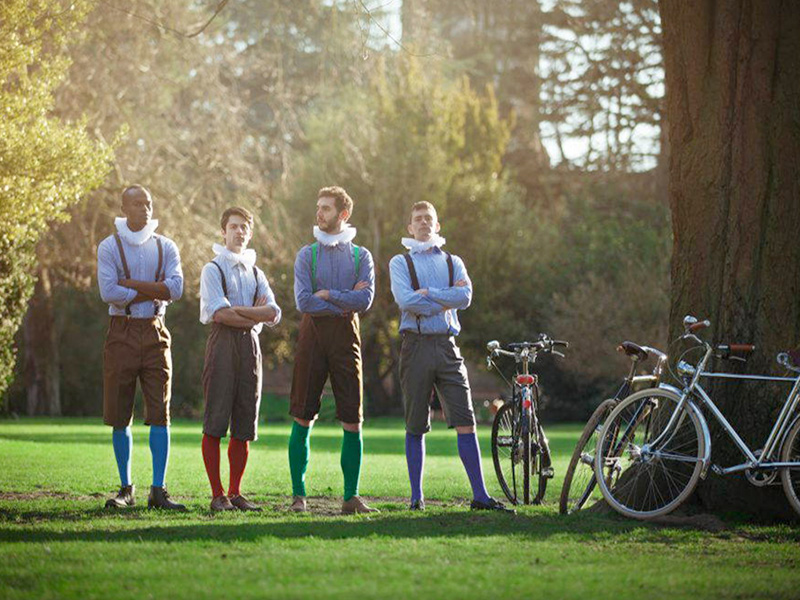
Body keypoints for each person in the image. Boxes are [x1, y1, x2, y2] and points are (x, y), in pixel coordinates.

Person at [389, 201, 513, 512]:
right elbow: (405, 301)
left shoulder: (452, 260)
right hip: (414, 345)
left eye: (429, 218)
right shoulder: (400, 262)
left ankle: (481, 496)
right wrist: (444, 298)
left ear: (438, 225)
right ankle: (417, 498)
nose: (423, 223)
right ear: (410, 227)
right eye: (417, 219)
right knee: (415, 424)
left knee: (466, 420)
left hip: (447, 346)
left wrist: (428, 295)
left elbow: (465, 297)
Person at [288, 186, 377, 514]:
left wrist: (326, 295)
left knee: (353, 419)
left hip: (346, 339)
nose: (319, 213)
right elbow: (303, 301)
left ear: (343, 214)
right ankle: (299, 496)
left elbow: (364, 301)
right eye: (318, 206)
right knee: (302, 416)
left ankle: (350, 497)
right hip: (312, 338)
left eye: (326, 208)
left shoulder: (361, 256)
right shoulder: (306, 255)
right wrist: (341, 299)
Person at [97, 185, 185, 510]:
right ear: (124, 209)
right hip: (121, 332)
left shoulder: (166, 246)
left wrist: (131, 285)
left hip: (155, 332)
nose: (145, 209)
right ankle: (126, 489)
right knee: (120, 414)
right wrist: (154, 289)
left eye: (148, 203)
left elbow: (176, 289)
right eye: (137, 203)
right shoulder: (109, 247)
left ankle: (158, 490)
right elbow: (108, 292)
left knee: (160, 412)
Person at [199, 207, 281, 511]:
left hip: (251, 346)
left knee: (244, 421)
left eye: (244, 227)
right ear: (223, 231)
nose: (239, 232)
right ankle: (217, 494)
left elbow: (273, 313)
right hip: (222, 345)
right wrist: (253, 313)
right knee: (216, 419)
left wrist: (240, 311)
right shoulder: (213, 269)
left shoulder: (257, 273)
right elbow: (218, 314)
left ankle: (235, 492)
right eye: (233, 227)